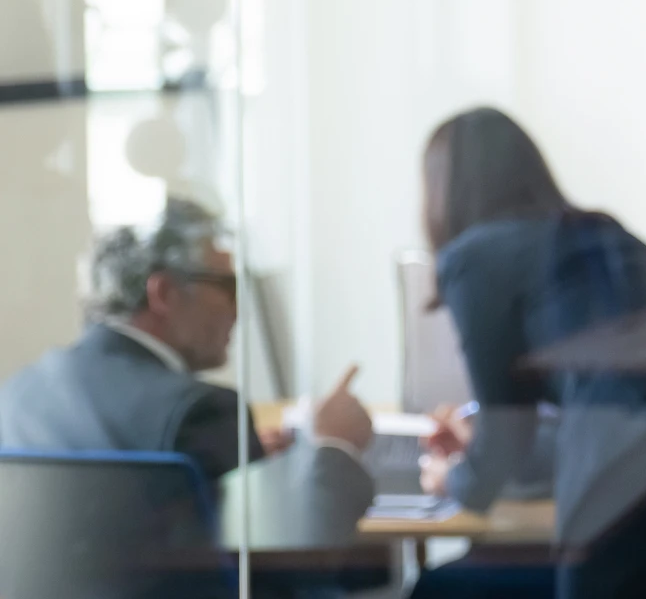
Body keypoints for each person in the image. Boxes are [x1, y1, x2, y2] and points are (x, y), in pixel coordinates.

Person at [411, 107, 646, 599]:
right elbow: (637, 406)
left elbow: (507, 438)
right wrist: (482, 441)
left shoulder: (471, 257)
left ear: (442, 193)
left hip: (638, 476)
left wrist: (453, 479)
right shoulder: (601, 233)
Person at [0, 198, 378, 568]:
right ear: (164, 293)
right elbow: (293, 558)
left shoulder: (17, 396)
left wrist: (247, 460)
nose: (237, 310)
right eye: (227, 286)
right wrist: (335, 448)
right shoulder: (200, 412)